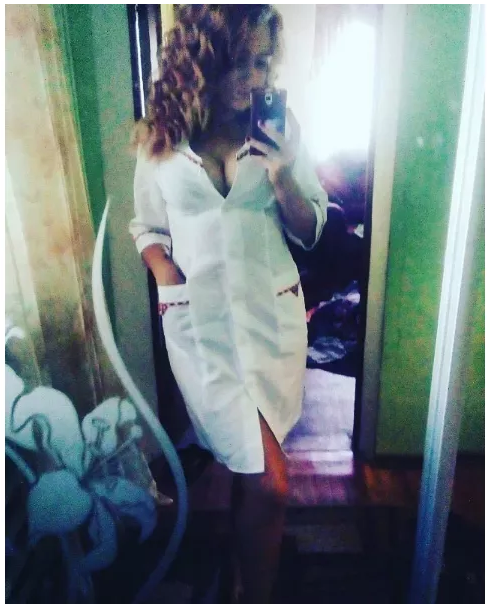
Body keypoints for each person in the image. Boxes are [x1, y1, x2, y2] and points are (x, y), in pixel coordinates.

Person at [129, 5, 328, 602]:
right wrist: (168, 279)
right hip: (202, 332)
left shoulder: (278, 127)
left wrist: (283, 175)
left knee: (255, 472)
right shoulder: (162, 138)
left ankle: (244, 579)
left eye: (263, 61)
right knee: (269, 480)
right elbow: (148, 227)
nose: (254, 77)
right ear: (202, 61)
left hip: (272, 324)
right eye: (240, 62)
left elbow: (311, 228)